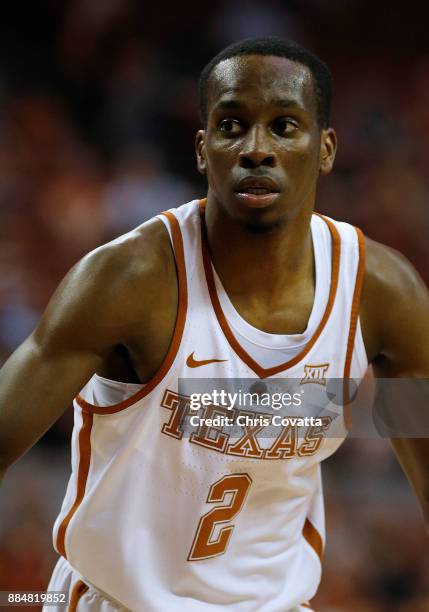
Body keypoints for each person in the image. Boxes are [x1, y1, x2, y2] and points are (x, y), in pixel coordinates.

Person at [1, 36, 428, 612]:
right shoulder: (129, 280)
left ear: (325, 148)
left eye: (284, 125)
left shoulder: (380, 296)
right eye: (232, 126)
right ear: (203, 150)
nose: (257, 148)